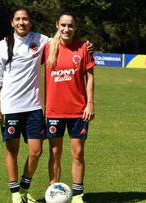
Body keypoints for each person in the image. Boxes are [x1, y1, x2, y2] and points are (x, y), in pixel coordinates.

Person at [0, 8, 48, 203]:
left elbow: (63, 41)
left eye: (25, 19)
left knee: (36, 151)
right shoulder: (2, 45)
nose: (21, 22)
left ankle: (24, 188)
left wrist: (85, 46)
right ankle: (15, 193)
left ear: (30, 22)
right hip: (11, 106)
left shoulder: (41, 40)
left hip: (33, 107)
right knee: (12, 151)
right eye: (18, 19)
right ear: (12, 22)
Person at [43, 11, 95, 203]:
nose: (67, 29)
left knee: (78, 152)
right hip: (54, 110)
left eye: (70, 25)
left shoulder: (83, 48)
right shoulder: (47, 48)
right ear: (57, 24)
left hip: (78, 111)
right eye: (63, 25)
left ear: (75, 27)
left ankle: (78, 195)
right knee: (55, 153)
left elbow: (90, 77)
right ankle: (54, 191)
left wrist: (90, 103)